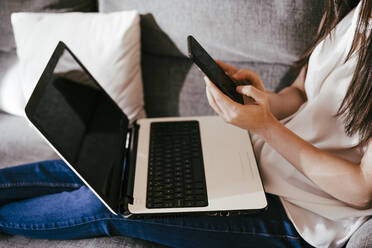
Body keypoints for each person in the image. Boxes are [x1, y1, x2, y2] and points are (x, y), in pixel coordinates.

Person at [0, 0, 371, 247]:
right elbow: (303, 91)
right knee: (100, 166)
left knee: (109, 207)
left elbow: (361, 189)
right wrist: (260, 97)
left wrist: (266, 127)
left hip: (301, 214)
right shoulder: (359, 12)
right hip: (258, 160)